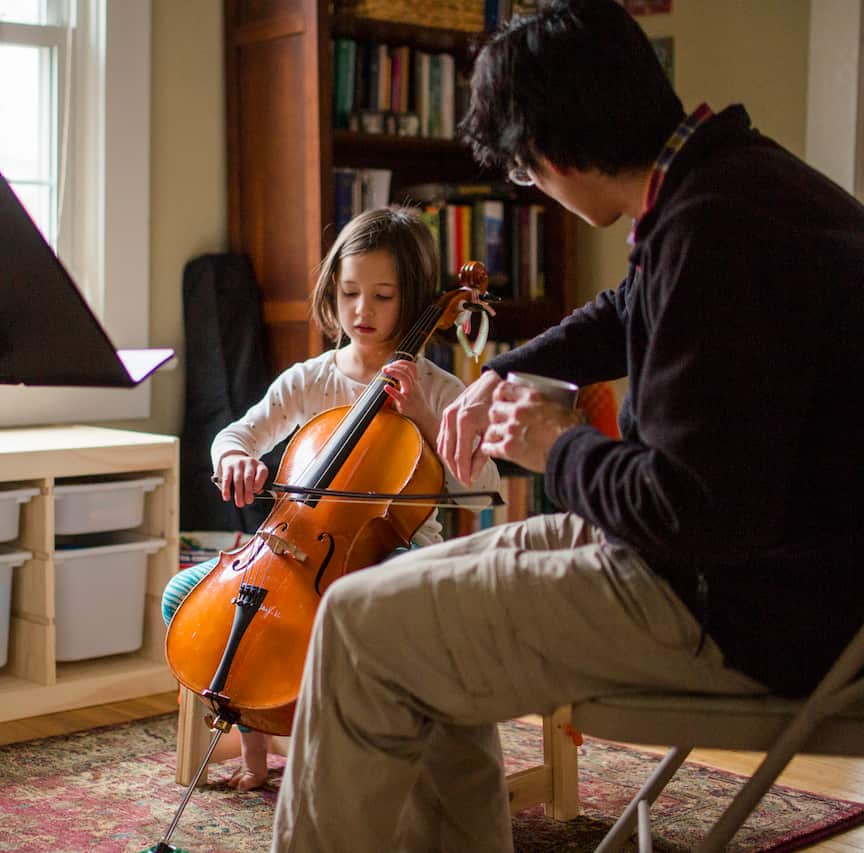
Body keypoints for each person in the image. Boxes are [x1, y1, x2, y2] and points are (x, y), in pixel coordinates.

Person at [270, 1, 864, 850]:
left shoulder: (716, 232)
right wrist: (507, 373)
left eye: (521, 170)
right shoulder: (730, 183)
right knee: (377, 609)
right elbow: (632, 310)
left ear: (548, 148)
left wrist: (556, 444)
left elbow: (694, 511)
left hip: (746, 610)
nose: (532, 183)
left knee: (364, 633)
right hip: (739, 576)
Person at [162, 205, 501, 792]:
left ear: (417, 300)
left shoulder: (442, 392)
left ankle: (364, 751)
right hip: (289, 549)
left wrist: (421, 412)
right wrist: (234, 458)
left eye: (383, 296)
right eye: (349, 293)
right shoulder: (311, 379)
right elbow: (235, 433)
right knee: (184, 596)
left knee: (375, 611)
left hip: (393, 558)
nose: (361, 312)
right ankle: (255, 745)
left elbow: (485, 486)